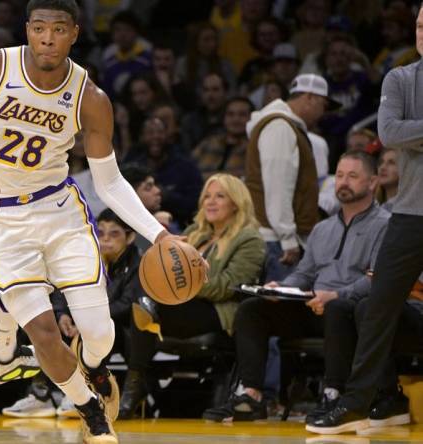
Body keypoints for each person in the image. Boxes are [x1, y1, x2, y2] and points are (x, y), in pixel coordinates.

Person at [0, 1, 186, 441]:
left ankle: (85, 363)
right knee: (44, 331)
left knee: (100, 337)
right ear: (27, 30)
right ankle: (90, 412)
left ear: (74, 34)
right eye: (40, 28)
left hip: (59, 213)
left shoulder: (90, 97)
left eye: (58, 29)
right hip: (1, 218)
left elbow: (110, 182)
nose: (48, 37)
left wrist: (161, 235)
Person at [205, 152, 389, 423]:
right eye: (339, 176)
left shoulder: (385, 224)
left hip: (349, 310)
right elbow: (304, 274)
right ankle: (251, 395)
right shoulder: (322, 228)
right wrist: (281, 288)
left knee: (338, 308)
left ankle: (333, 393)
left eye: (353, 176)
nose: (343, 182)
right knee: (252, 309)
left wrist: (336, 294)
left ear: (373, 182)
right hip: (312, 305)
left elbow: (378, 278)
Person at [308, 6, 423, 434]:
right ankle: (358, 402)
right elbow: (389, 133)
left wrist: (415, 132)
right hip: (410, 212)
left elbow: (402, 132)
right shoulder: (401, 78)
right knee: (376, 306)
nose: (422, 33)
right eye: (418, 26)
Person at [121, 174, 265, 419]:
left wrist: (187, 283)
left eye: (220, 196)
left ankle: (135, 386)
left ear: (236, 202)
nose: (210, 202)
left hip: (218, 313)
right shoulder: (193, 234)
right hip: (179, 307)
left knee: (147, 305)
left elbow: (229, 286)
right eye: (207, 196)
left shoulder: (249, 238)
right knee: (143, 303)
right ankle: (135, 382)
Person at [245, 73, 340, 282]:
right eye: (323, 105)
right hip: (275, 241)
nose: (322, 113)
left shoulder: (284, 126)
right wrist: (287, 238)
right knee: (280, 310)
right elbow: (277, 186)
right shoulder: (280, 127)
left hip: (275, 237)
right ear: (309, 97)